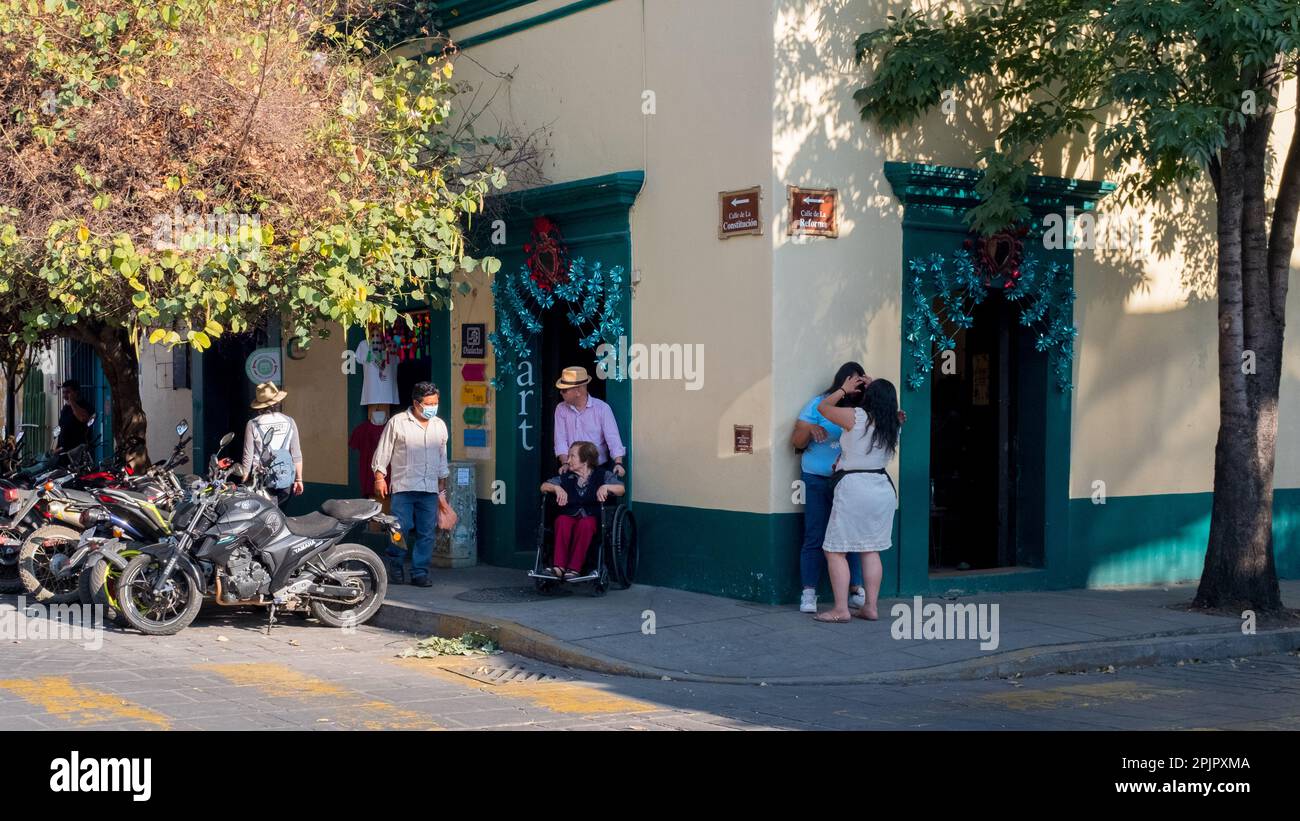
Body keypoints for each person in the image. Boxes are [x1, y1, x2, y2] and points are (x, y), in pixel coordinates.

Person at [813, 374, 901, 623]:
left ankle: (841, 609)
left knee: (835, 551)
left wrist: (843, 389)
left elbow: (823, 408)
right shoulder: (893, 422)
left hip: (855, 487)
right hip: (881, 487)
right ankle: (870, 607)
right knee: (870, 549)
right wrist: (877, 385)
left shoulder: (856, 416)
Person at [791, 363, 868, 613]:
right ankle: (809, 592)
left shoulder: (865, 408)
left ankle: (856, 588)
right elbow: (796, 440)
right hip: (816, 478)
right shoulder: (818, 404)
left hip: (849, 480)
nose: (855, 387)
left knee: (851, 536)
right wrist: (810, 429)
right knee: (815, 534)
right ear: (841, 381)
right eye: (851, 381)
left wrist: (871, 385)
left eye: (860, 382)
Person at [372, 381, 448, 587]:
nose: (433, 407)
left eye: (435, 402)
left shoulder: (439, 425)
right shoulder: (398, 422)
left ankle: (420, 572)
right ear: (416, 403)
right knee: (400, 529)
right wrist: (380, 476)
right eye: (428, 403)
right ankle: (395, 564)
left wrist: (442, 480)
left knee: (427, 533)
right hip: (404, 487)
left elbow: (442, 454)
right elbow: (384, 450)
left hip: (429, 488)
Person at [540, 441, 625, 580]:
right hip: (571, 515)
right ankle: (559, 567)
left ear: (585, 460)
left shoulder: (603, 475)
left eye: (572, 456)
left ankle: (574, 568)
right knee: (562, 521)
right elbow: (543, 486)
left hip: (592, 517)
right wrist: (556, 488)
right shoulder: (567, 476)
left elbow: (621, 489)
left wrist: (606, 487)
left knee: (586, 524)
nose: (568, 460)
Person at [553, 366, 626, 478]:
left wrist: (618, 463)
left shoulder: (602, 408)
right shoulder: (561, 409)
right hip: (571, 469)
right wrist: (565, 463)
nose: (561, 393)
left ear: (577, 391)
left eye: (564, 390)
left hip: (597, 469)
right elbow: (560, 440)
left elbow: (613, 439)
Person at [240, 381, 304, 508]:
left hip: (261, 480)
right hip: (285, 478)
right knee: (278, 514)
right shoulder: (290, 421)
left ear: (259, 407)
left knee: (263, 516)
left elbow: (248, 455)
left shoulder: (253, 424)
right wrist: (299, 479)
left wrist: (244, 479)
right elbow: (296, 454)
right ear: (277, 402)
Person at [56, 379, 94, 452]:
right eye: (63, 392)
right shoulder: (65, 408)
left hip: (78, 452)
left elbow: (83, 418)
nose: (64, 396)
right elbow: (62, 429)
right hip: (64, 452)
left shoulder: (86, 406)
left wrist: (72, 401)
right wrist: (57, 449)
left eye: (68, 392)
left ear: (76, 392)